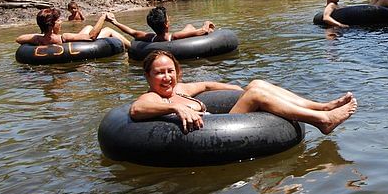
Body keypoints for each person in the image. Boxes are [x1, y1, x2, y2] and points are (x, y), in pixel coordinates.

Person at [131, 50, 358, 134]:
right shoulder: (153, 97)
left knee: (256, 84)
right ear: (148, 77)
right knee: (256, 95)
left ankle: (322, 106)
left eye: (170, 71)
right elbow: (137, 109)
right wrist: (175, 106)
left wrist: (237, 89)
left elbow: (207, 86)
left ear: (177, 72)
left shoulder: (180, 89)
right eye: (159, 73)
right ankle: (322, 120)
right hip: (213, 132)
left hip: (220, 121)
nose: (166, 77)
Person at [16, 8, 131, 48]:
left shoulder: (38, 39)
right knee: (108, 30)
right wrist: (102, 17)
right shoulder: (63, 37)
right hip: (81, 45)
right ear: (52, 25)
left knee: (88, 26)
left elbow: (19, 39)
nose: (61, 22)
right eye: (58, 21)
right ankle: (132, 47)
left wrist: (43, 36)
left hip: (46, 35)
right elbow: (91, 37)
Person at [105, 6, 215, 42]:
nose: (170, 18)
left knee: (189, 26)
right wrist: (207, 23)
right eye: (168, 18)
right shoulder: (174, 36)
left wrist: (115, 22)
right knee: (190, 27)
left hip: (157, 38)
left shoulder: (150, 38)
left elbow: (131, 32)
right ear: (166, 24)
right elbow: (203, 31)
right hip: (176, 44)